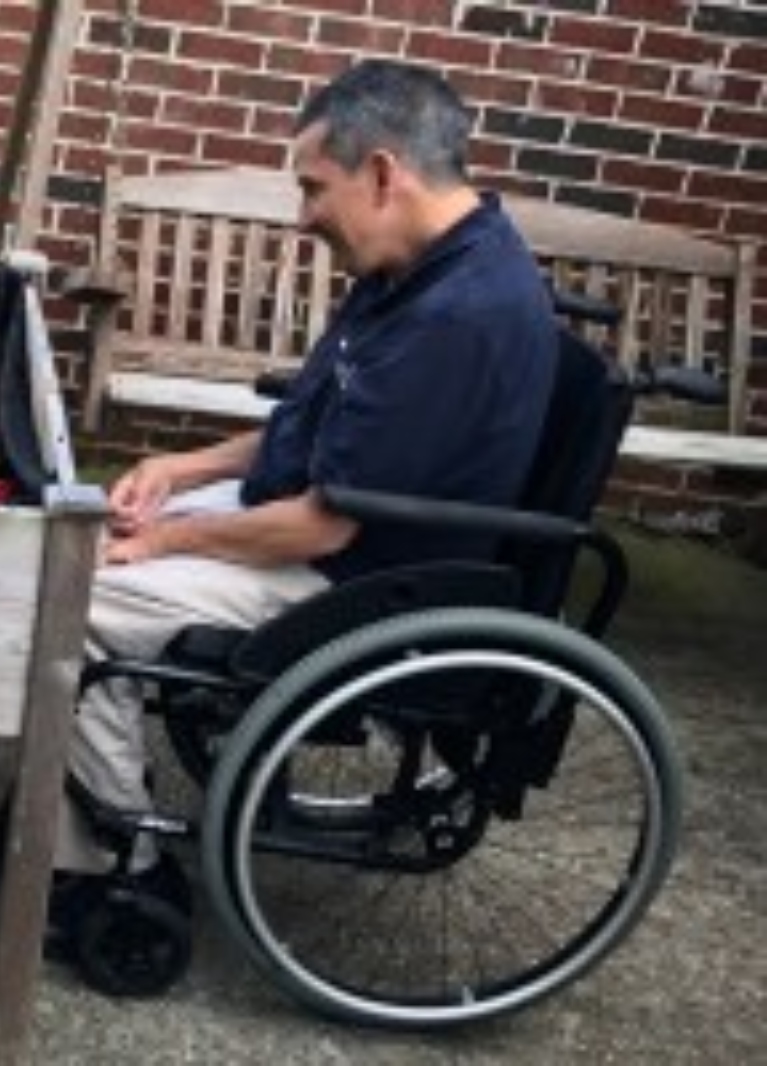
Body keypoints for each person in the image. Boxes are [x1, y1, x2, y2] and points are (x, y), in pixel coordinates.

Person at [50, 60, 559, 928]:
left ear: (383, 174)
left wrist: (165, 541)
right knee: (86, 526)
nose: (304, 215)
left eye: (313, 188)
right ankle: (56, 811)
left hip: (360, 583)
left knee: (69, 602)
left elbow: (324, 527)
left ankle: (112, 866)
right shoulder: (413, 271)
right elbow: (316, 425)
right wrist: (183, 472)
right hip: (331, 536)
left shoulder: (456, 318)